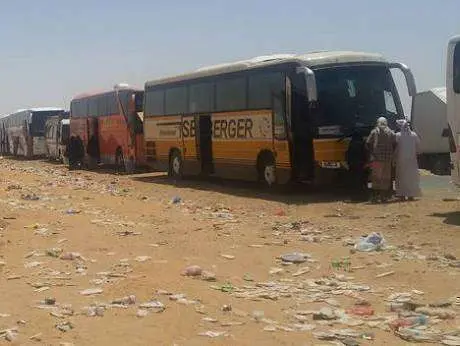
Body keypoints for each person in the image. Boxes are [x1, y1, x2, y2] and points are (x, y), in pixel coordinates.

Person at [366, 117, 396, 202]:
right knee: (385, 178)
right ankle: (383, 197)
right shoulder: (391, 132)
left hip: (377, 159)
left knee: (376, 178)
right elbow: (395, 143)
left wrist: (372, 152)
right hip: (387, 159)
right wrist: (391, 152)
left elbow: (368, 143)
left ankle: (375, 197)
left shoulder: (375, 131)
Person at [395, 119, 421, 201]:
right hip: (412, 161)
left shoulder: (398, 135)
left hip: (401, 160)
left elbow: (394, 147)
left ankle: (402, 195)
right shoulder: (414, 135)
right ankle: (411, 195)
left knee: (401, 177)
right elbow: (418, 147)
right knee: (411, 177)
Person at [346, 131, 369, 200]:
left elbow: (348, 155)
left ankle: (354, 196)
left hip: (352, 165)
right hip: (360, 164)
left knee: (353, 180)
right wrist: (366, 162)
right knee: (361, 180)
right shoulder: (362, 144)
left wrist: (348, 163)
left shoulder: (351, 144)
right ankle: (362, 196)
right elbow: (365, 154)